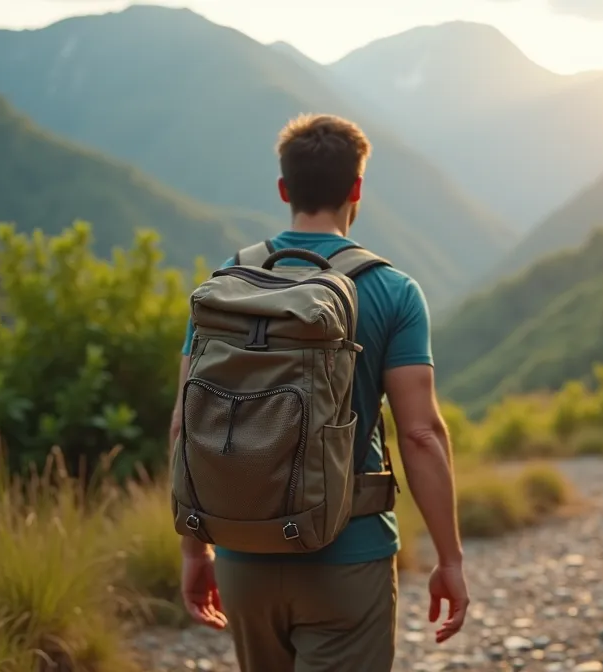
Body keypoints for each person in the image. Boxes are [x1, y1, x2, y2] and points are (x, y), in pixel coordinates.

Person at [167, 113, 470, 671]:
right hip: (348, 556)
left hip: (242, 551)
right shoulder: (393, 290)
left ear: (284, 189)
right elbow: (421, 435)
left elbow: (186, 419)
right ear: (357, 189)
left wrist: (196, 547)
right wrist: (449, 558)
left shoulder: (227, 285)